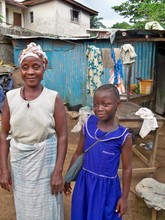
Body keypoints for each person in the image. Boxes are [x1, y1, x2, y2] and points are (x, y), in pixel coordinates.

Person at [0, 42, 68, 220]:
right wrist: (4, 170)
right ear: (20, 70)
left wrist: (58, 171)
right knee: (26, 207)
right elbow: (4, 135)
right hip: (20, 164)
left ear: (44, 68)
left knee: (49, 208)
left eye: (36, 67)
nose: (30, 72)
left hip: (47, 163)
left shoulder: (53, 98)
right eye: (25, 67)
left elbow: (62, 137)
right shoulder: (10, 97)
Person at [64, 84, 132, 220]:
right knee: (80, 215)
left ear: (118, 104)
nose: (99, 109)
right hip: (85, 185)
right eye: (95, 105)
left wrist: (124, 198)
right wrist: (68, 177)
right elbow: (78, 153)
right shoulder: (88, 125)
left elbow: (127, 169)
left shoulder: (123, 136)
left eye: (105, 104)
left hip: (107, 190)